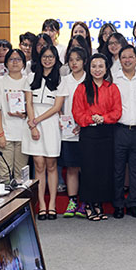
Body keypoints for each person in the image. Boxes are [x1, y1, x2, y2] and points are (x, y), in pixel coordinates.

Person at [72, 53, 122, 221]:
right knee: (89, 169)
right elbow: (77, 112)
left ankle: (99, 203)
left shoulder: (112, 88)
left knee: (104, 169)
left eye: (101, 66)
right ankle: (88, 203)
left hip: (107, 133)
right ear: (89, 68)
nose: (97, 69)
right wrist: (91, 118)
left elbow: (117, 111)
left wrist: (104, 118)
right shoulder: (81, 88)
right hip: (89, 133)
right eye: (94, 66)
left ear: (106, 68)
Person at [24, 45, 66, 220]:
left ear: (56, 59)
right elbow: (28, 103)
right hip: (32, 124)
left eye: (51, 56)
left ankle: (52, 204)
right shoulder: (31, 77)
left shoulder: (60, 80)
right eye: (44, 56)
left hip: (50, 124)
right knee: (38, 164)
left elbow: (57, 107)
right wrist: (33, 126)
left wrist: (37, 121)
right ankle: (41, 204)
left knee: (51, 164)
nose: (47, 59)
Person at [112, 45, 136, 219]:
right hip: (119, 130)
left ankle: (133, 204)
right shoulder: (113, 80)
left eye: (130, 57)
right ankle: (118, 205)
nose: (127, 60)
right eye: (124, 57)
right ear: (119, 60)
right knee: (117, 170)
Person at [0, 49, 30, 181]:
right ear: (6, 63)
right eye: (11, 59)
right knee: (5, 176)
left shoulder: (28, 81)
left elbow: (31, 106)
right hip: (4, 134)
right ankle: (6, 202)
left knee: (20, 175)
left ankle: (20, 202)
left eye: (18, 59)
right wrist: (0, 134)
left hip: (23, 135)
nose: (15, 62)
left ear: (24, 64)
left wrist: (26, 113)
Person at [60, 47, 88, 218]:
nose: (74, 63)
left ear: (84, 61)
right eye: (71, 60)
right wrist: (63, 119)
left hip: (86, 130)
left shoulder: (90, 80)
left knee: (86, 167)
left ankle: (85, 201)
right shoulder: (64, 80)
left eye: (78, 59)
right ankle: (72, 201)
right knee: (71, 167)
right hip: (68, 130)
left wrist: (83, 122)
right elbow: (58, 105)